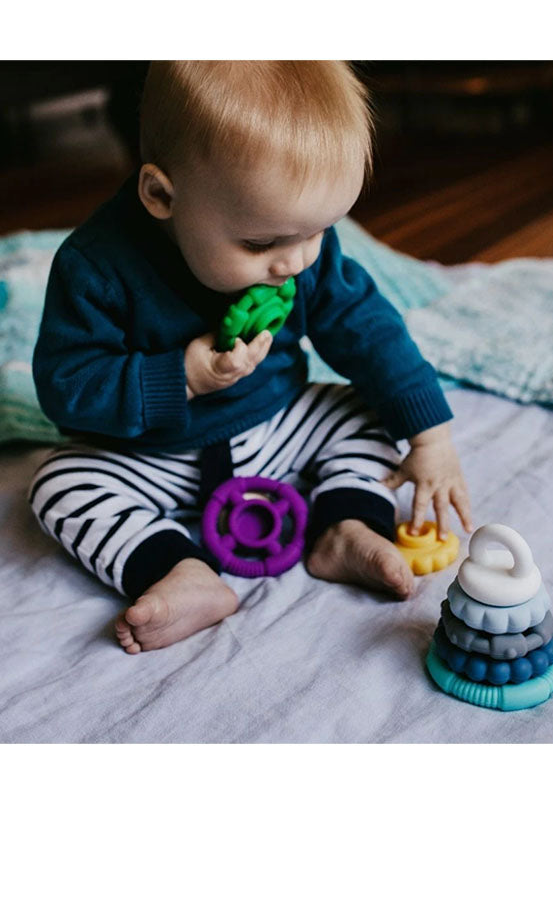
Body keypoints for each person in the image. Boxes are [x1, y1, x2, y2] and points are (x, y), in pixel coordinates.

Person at [29, 60, 472, 654]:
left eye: (317, 232)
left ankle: (346, 525)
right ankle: (175, 568)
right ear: (161, 195)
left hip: (279, 424)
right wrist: (177, 377)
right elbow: (67, 386)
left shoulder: (295, 238)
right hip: (156, 456)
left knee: (366, 413)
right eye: (260, 244)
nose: (292, 262)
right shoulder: (95, 268)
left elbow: (365, 327)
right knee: (59, 485)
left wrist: (429, 437)